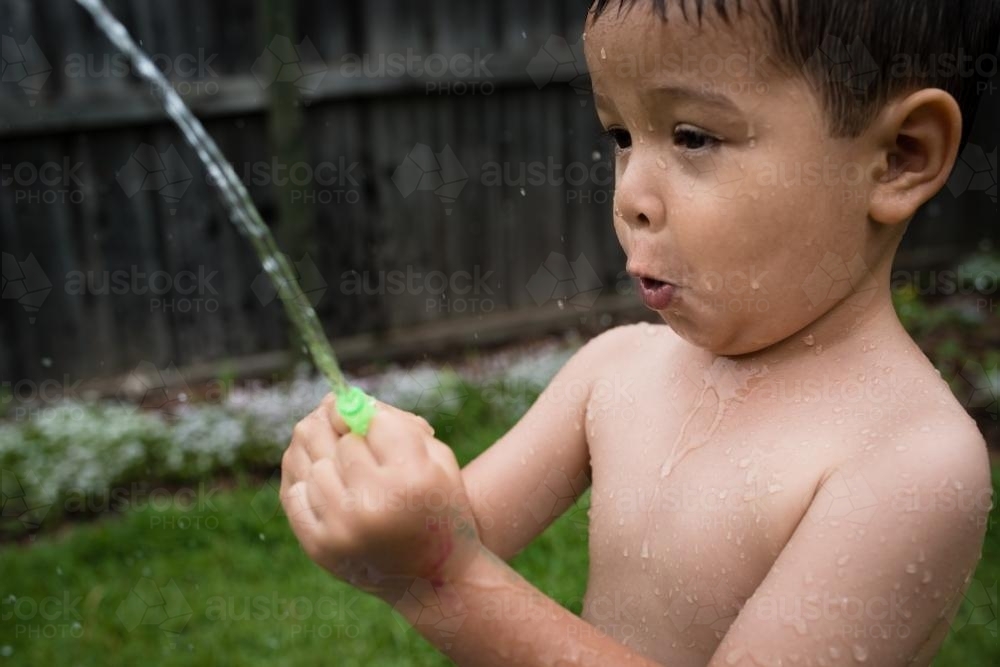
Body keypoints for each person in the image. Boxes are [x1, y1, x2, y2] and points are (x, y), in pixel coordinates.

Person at [279, 1, 999, 664]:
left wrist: (441, 579)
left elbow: (445, 563)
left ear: (901, 155)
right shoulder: (616, 370)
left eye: (693, 136)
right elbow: (452, 530)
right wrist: (377, 490)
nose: (629, 195)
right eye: (622, 135)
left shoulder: (912, 462)